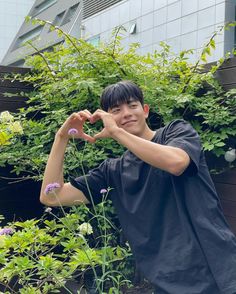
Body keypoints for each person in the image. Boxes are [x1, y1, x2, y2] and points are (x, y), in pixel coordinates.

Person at [40, 80, 236, 294]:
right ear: (106, 118)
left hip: (217, 270)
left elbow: (177, 163)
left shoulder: (176, 132)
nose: (126, 114)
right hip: (167, 282)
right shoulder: (113, 171)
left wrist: (116, 133)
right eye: (116, 110)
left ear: (145, 110)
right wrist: (61, 137)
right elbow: (52, 196)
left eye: (132, 106)